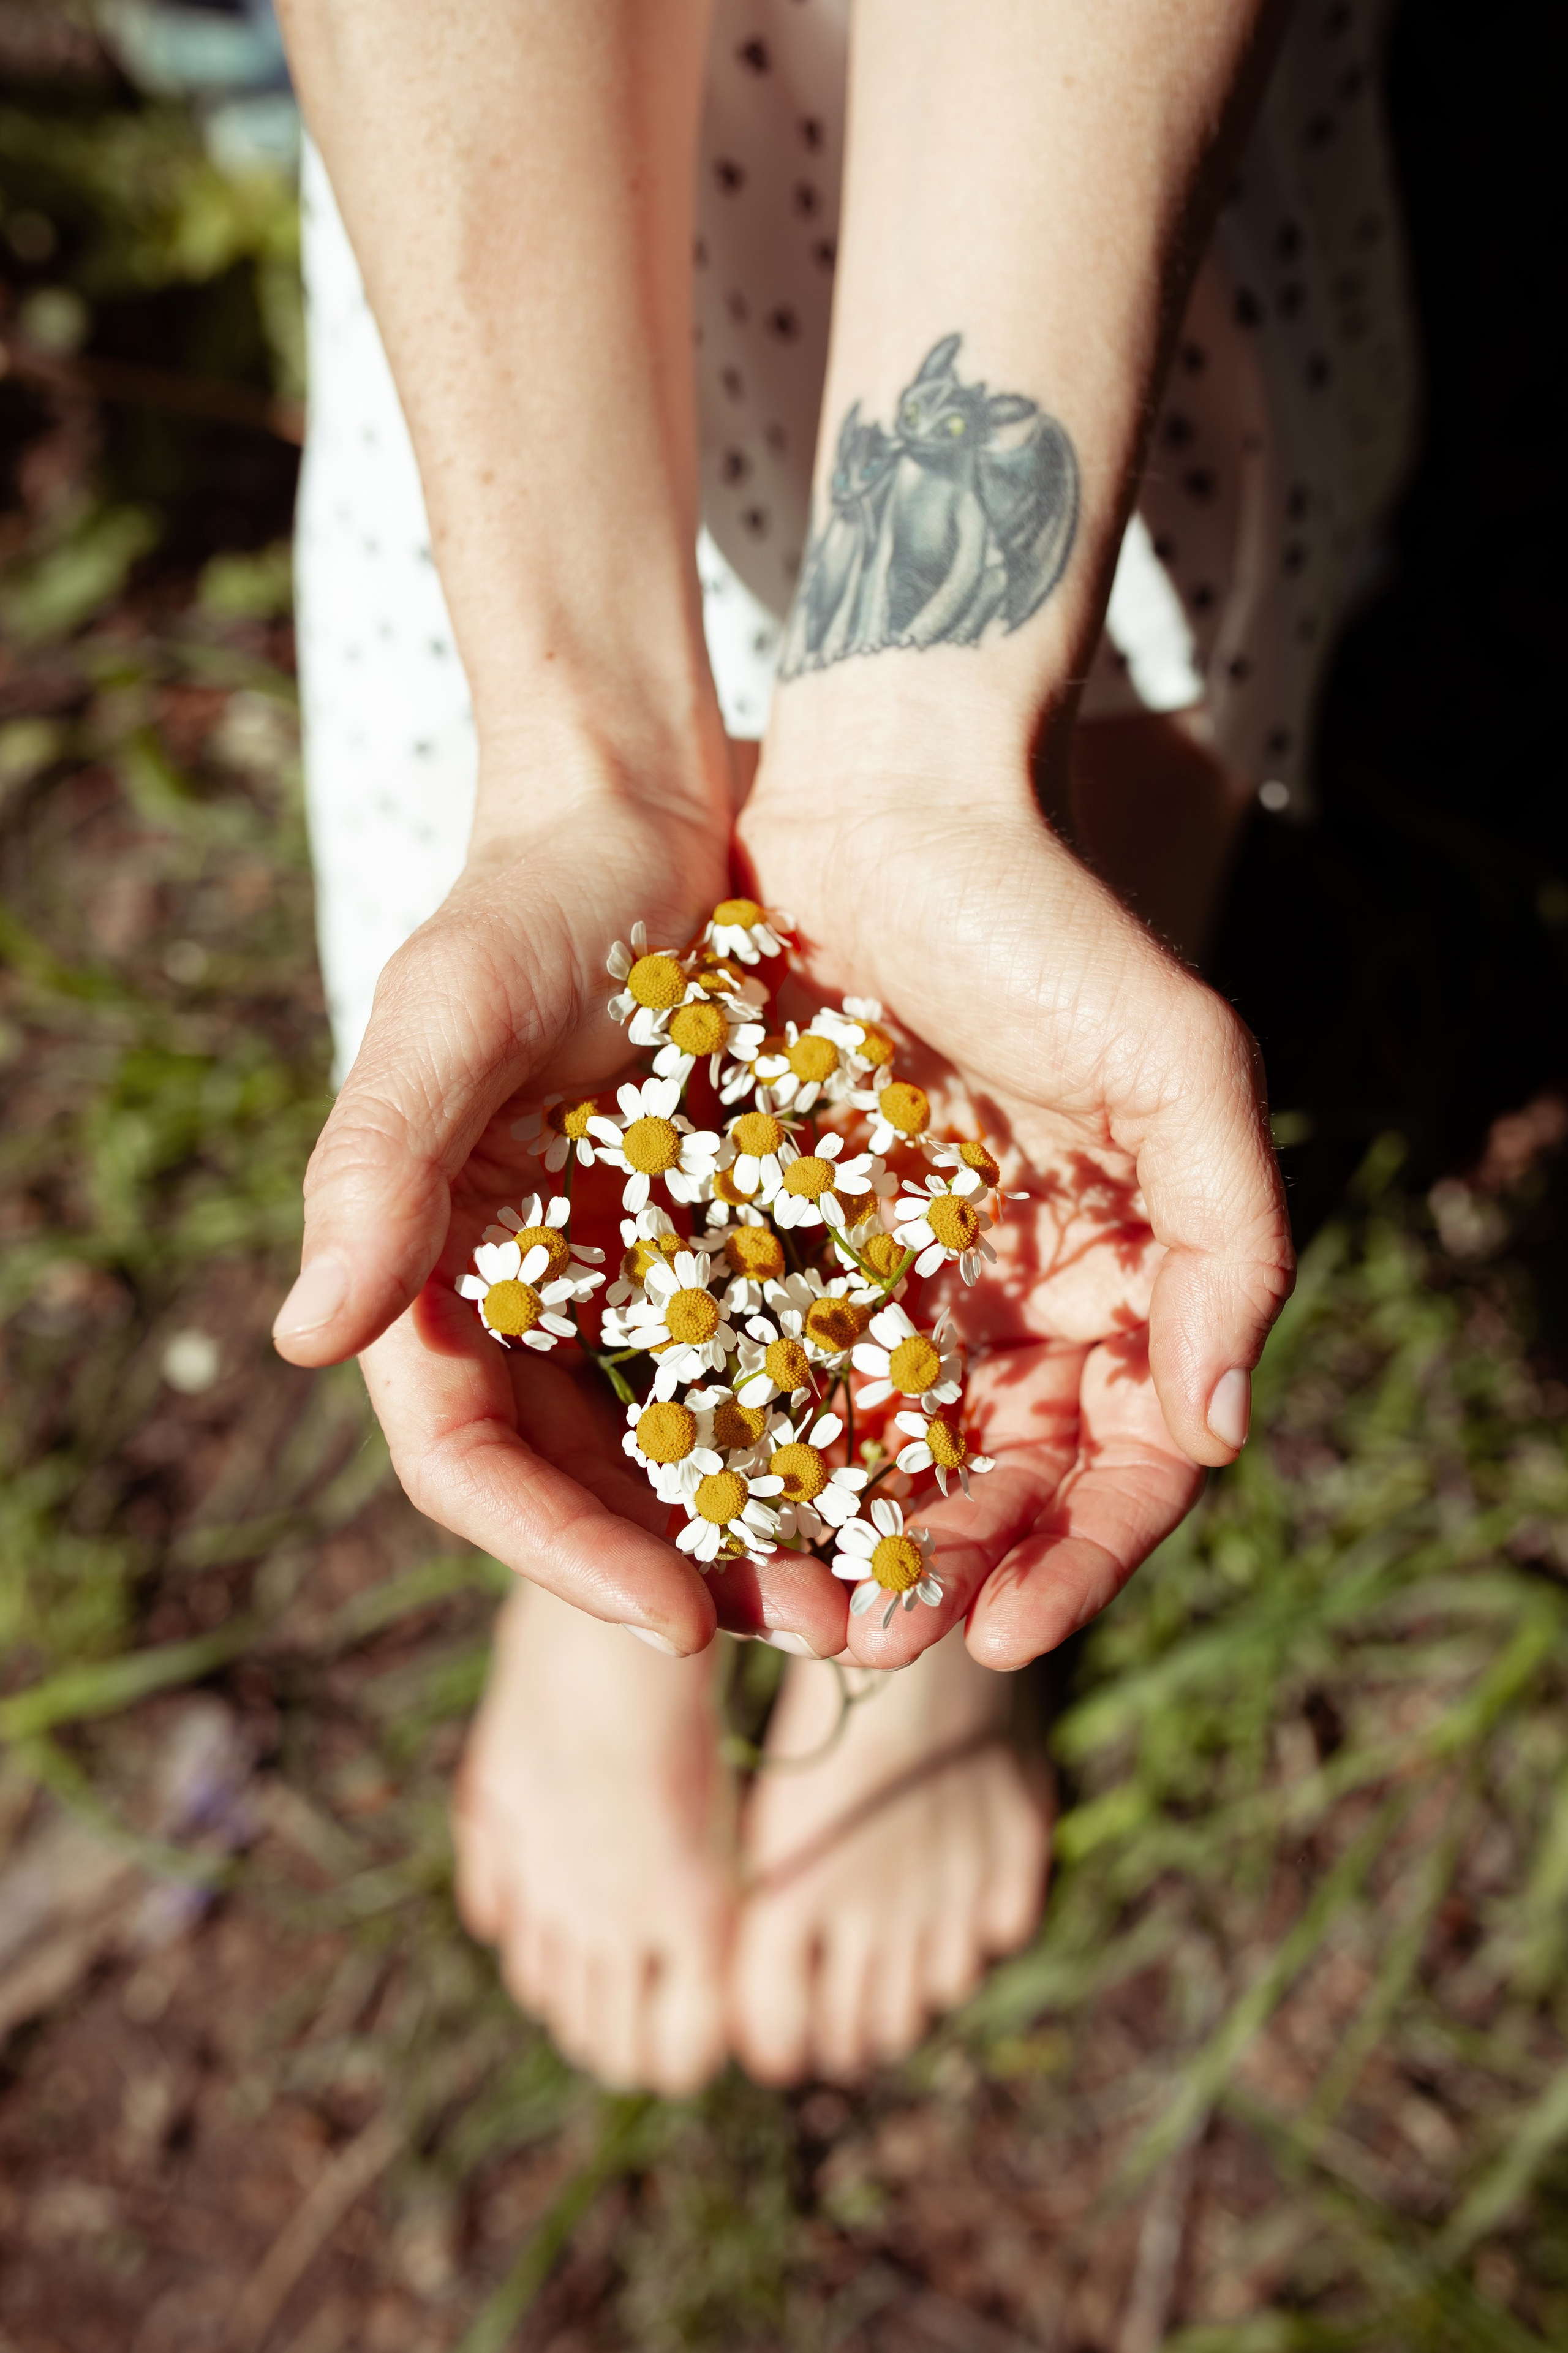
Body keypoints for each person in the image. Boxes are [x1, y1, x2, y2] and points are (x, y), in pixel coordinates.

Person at [270, 0, 1415, 2091]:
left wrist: (923, 769)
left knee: (1098, 715)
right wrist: (583, 768)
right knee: (521, 694)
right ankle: (640, 1569)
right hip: (512, 202)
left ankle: (871, 1586)